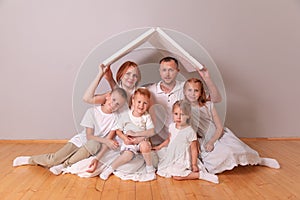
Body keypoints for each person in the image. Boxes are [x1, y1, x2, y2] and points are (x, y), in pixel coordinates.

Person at [13, 88, 127, 175]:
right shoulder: (92, 112)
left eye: (118, 104)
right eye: (113, 100)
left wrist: (106, 145)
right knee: (54, 159)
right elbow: (89, 136)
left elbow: (108, 140)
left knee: (94, 144)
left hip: (93, 146)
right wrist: (106, 141)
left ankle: (64, 166)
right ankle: (29, 159)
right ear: (107, 96)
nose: (114, 105)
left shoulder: (116, 119)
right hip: (81, 141)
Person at [183, 78, 280, 174]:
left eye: (196, 90)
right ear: (184, 91)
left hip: (217, 135)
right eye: (190, 90)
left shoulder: (208, 105)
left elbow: (219, 127)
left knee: (238, 149)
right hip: (201, 139)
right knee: (222, 155)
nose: (192, 93)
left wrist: (212, 141)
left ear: (201, 92)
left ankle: (259, 160)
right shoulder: (183, 107)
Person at [147, 56, 222, 146]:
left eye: (171, 70)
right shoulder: (150, 90)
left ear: (178, 71)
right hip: (162, 140)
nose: (167, 74)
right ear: (159, 71)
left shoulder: (187, 88)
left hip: (184, 139)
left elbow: (216, 99)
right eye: (164, 70)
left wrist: (206, 78)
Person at [96, 88, 156, 181]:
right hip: (129, 142)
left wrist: (137, 136)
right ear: (133, 100)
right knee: (128, 155)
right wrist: (124, 138)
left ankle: (150, 169)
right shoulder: (126, 115)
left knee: (145, 146)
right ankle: (110, 168)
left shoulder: (146, 117)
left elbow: (151, 131)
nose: (141, 106)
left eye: (145, 103)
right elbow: (118, 130)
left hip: (141, 141)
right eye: (139, 102)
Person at [153, 100, 219, 184]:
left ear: (188, 116)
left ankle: (200, 175)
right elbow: (169, 139)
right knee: (162, 167)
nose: (179, 117)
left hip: (182, 157)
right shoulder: (172, 127)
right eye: (176, 114)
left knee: (177, 176)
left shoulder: (190, 131)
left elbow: (194, 149)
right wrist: (159, 147)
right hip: (172, 154)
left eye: (182, 114)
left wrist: (194, 164)